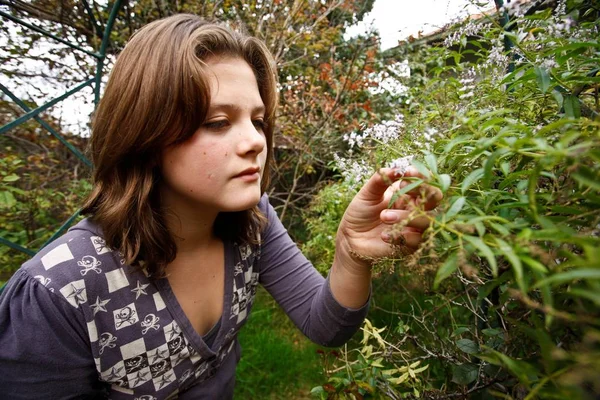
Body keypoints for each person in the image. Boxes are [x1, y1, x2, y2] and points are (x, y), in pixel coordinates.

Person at [0, 14, 441, 399]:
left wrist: (350, 253)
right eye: (217, 122)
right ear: (146, 135)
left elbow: (325, 325)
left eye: (258, 120)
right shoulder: (57, 294)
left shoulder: (252, 223)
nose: (255, 142)